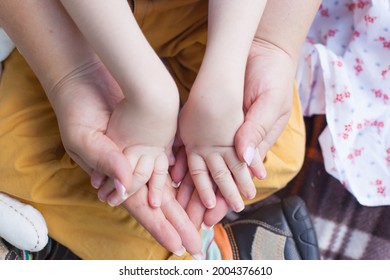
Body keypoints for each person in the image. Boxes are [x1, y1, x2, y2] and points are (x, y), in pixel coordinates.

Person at [0, 0, 320, 259]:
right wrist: (72, 76)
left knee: (269, 148)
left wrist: (270, 47)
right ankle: (216, 252)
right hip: (61, 27)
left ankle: (176, 249)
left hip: (211, 15)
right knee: (15, 158)